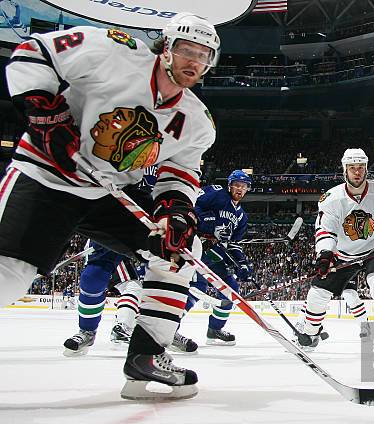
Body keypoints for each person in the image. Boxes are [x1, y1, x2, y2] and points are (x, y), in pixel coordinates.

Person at [0, 12, 218, 400]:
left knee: (180, 253)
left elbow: (180, 171)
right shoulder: (114, 51)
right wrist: (46, 114)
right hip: (46, 176)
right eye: (187, 51)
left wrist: (175, 211)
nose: (195, 63)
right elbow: (32, 53)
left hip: (106, 192)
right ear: (166, 47)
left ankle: (144, 362)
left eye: (205, 56)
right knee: (11, 274)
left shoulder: (196, 121)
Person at [299, 148, 374, 348]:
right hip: (343, 254)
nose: (357, 172)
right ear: (345, 170)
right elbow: (325, 230)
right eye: (352, 168)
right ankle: (310, 334)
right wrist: (325, 254)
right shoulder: (332, 198)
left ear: (366, 169)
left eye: (361, 167)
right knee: (317, 294)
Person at [62, 241, 198, 356]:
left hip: (146, 225)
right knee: (94, 278)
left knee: (165, 277)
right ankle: (90, 331)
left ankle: (163, 331)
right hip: (110, 229)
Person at [184, 169, 253, 345]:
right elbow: (191, 206)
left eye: (244, 186)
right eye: (237, 185)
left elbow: (234, 244)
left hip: (216, 255)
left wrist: (243, 264)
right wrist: (211, 223)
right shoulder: (216, 193)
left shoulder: (241, 216)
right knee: (197, 288)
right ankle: (170, 328)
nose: (240, 189)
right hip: (198, 247)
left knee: (231, 289)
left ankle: (215, 329)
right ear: (229, 185)